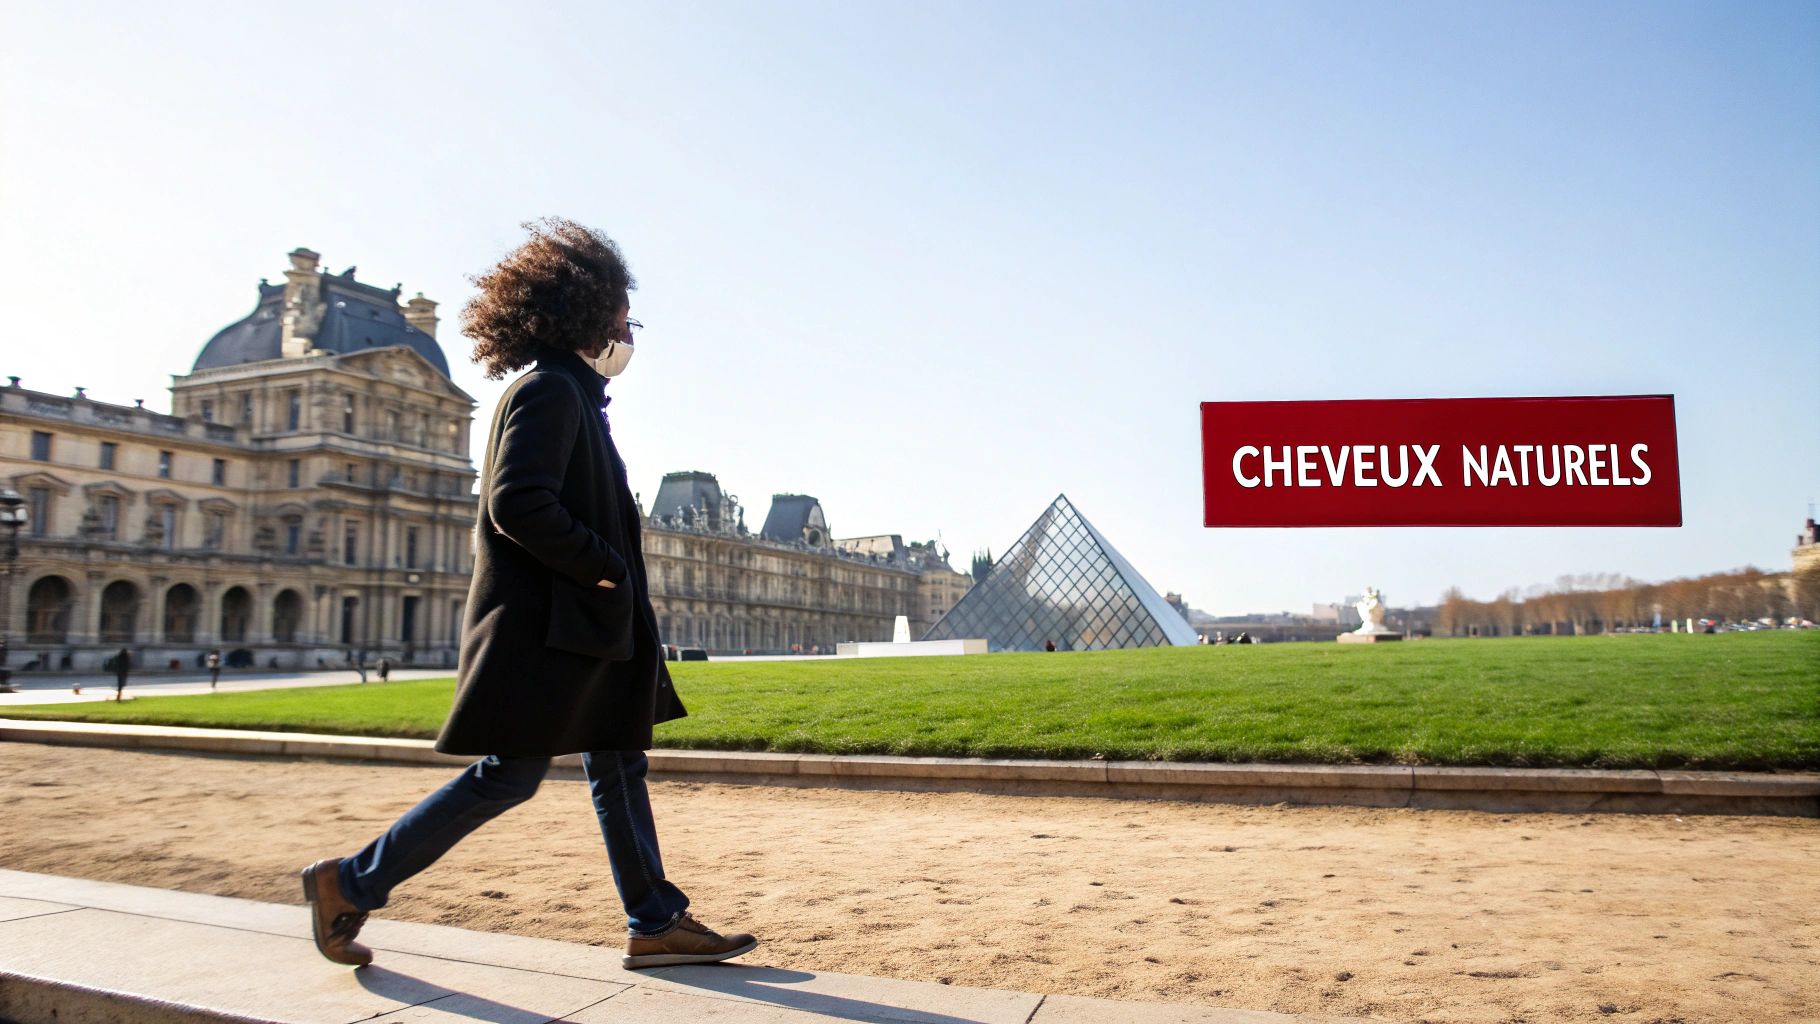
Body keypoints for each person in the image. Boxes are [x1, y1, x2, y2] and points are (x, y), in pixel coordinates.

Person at [301, 218, 754, 972]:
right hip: (554, 627)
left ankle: (655, 921)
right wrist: (605, 568)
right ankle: (347, 882)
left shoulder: (567, 393)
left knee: (616, 762)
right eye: (623, 317)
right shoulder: (550, 391)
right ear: (586, 314)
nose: (627, 333)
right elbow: (518, 502)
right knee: (510, 773)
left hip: (582, 624)